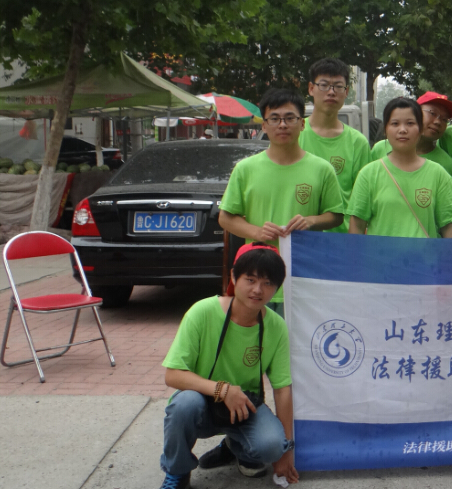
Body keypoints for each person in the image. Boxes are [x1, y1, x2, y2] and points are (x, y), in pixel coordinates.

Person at [159, 243, 298, 489]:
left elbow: (282, 388)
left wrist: (286, 450)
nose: (258, 290)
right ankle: (177, 472)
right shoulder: (202, 312)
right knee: (183, 405)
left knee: (272, 446)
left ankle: (236, 446)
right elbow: (173, 375)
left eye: (267, 283)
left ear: (277, 288)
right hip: (202, 403)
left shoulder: (276, 326)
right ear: (234, 277)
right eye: (250, 279)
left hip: (245, 408)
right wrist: (223, 390)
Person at [219, 88, 344, 315]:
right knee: (258, 336)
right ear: (264, 126)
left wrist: (311, 221)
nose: (283, 125)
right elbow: (226, 218)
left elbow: (336, 216)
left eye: (290, 118)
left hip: (304, 276)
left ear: (302, 123)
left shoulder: (322, 169)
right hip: (258, 281)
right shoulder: (245, 169)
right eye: (274, 119)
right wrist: (257, 232)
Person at [348, 97, 452, 238]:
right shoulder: (368, 174)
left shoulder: (439, 175)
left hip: (425, 253)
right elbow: (357, 226)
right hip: (381, 253)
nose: (403, 130)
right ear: (385, 130)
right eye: (395, 123)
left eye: (410, 123)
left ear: (420, 129)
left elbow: (449, 227)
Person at [298, 58, 372, 233]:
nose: (331, 92)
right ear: (311, 88)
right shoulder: (294, 134)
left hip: (343, 239)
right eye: (324, 85)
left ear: (346, 92)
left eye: (338, 86)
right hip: (300, 237)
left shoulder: (357, 143)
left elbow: (363, 200)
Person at [371, 91, 452, 183]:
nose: (438, 122)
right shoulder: (380, 149)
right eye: (432, 113)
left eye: (444, 119)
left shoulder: (447, 165)